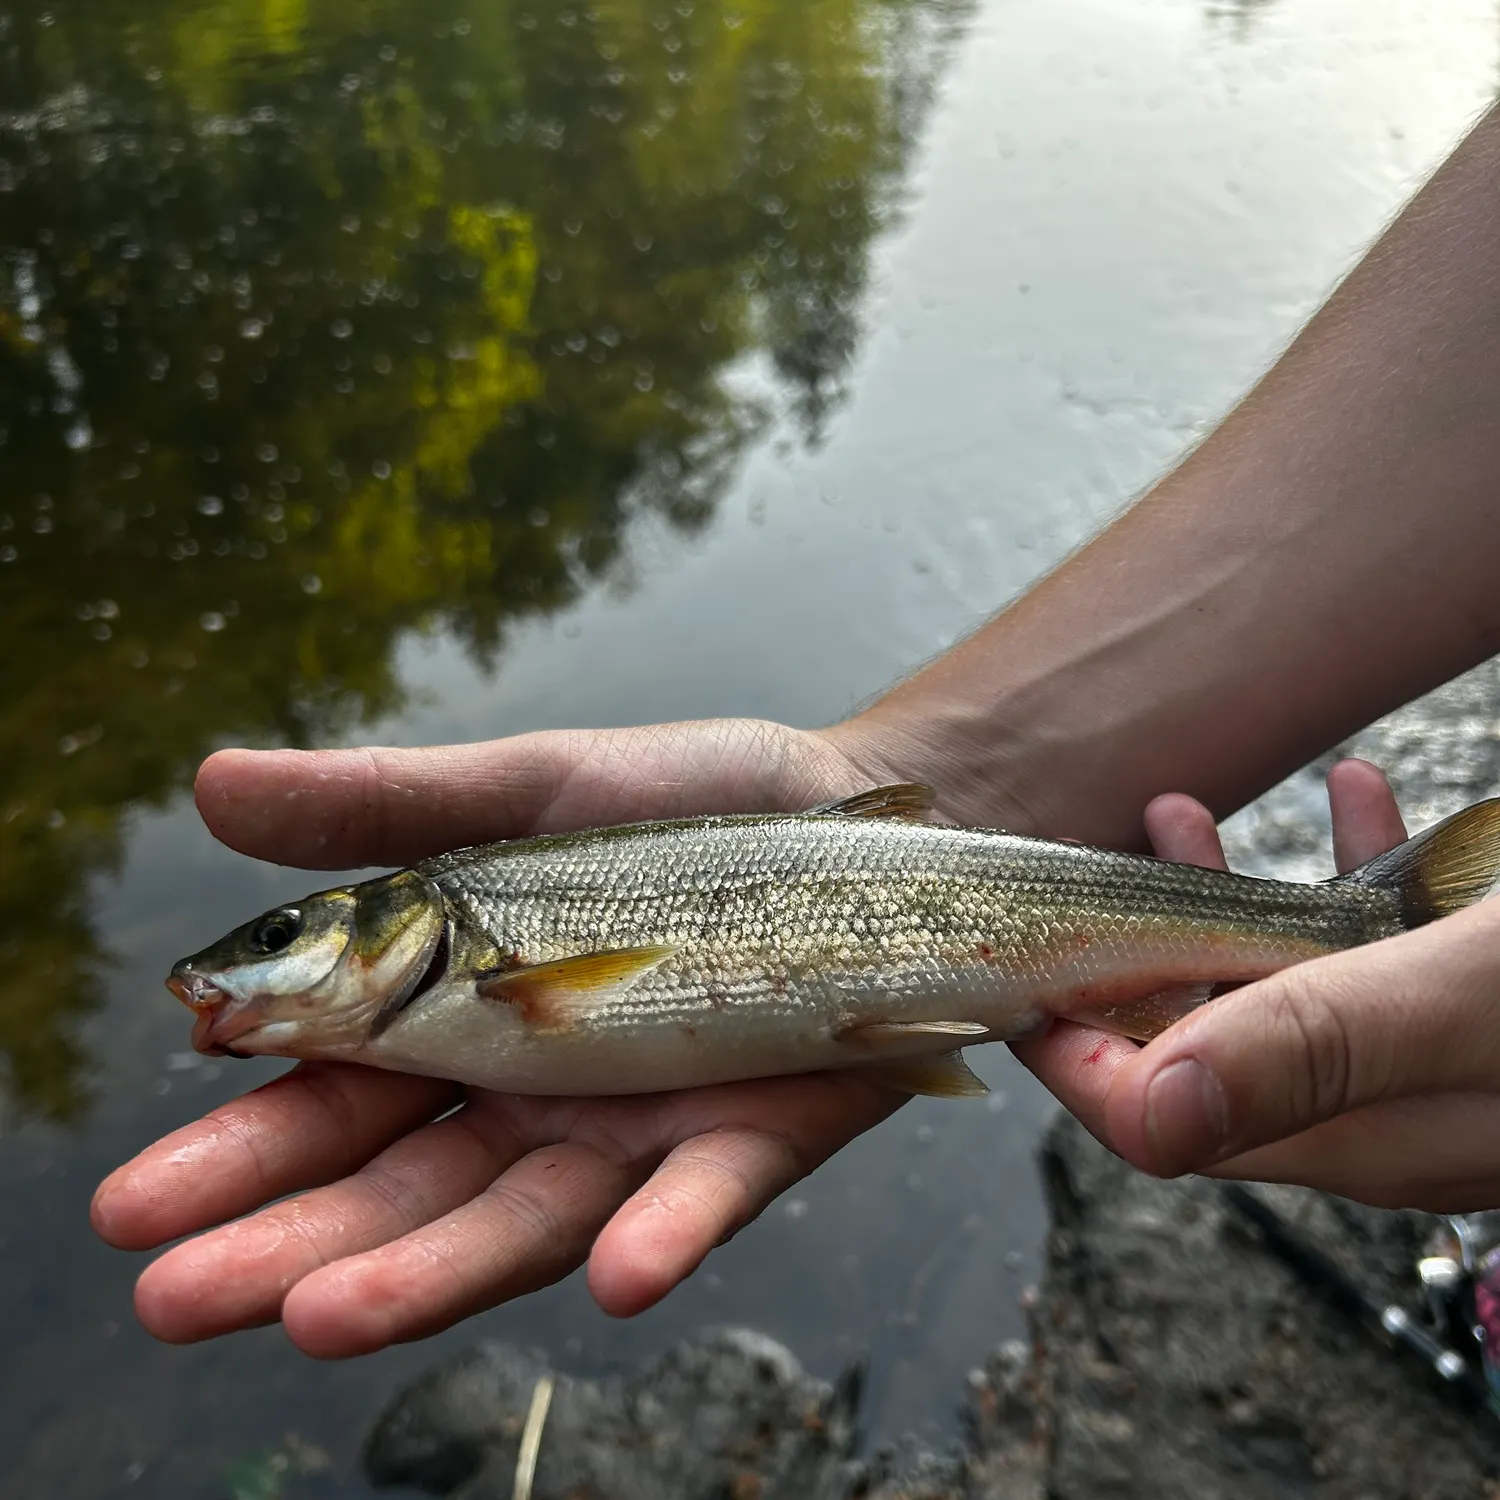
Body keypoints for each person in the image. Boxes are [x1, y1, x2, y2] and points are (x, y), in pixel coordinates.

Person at [93, 105, 1500, 1360]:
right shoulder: (446, 1000)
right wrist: (977, 766)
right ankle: (1347, 924)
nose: (248, 969)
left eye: (283, 940)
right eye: (269, 945)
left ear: (397, 919)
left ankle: (1349, 924)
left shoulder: (477, 958)